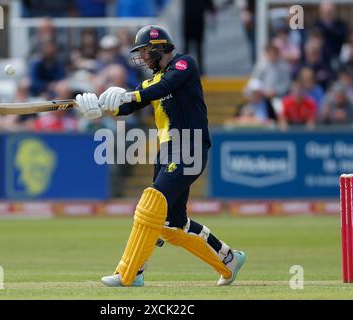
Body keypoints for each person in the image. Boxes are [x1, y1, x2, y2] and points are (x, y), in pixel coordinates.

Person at [74, 25, 246, 287]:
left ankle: (129, 273)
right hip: (166, 151)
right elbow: (129, 105)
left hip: (190, 147)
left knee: (151, 200)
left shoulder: (184, 64)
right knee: (172, 225)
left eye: (144, 51)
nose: (142, 57)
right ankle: (229, 259)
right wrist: (98, 108)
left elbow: (164, 86)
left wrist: (127, 94)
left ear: (159, 47)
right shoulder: (151, 81)